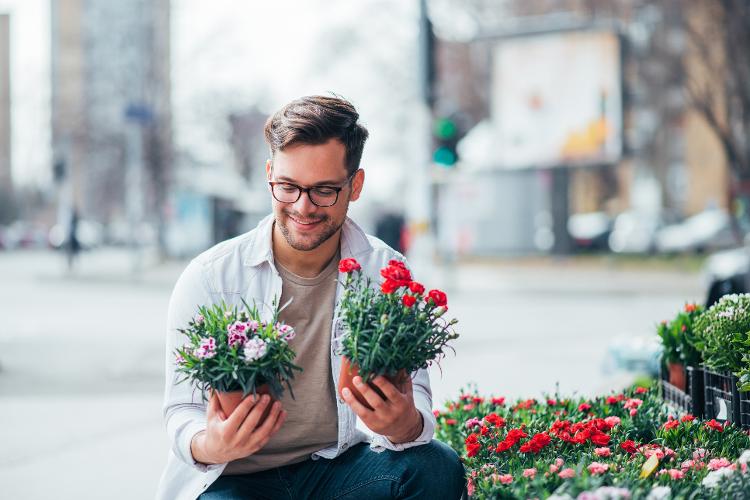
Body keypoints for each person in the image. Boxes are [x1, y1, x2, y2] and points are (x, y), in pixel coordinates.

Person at [157, 95, 465, 500]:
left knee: (436, 467)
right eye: (287, 187)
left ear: (354, 185)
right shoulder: (211, 277)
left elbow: (417, 398)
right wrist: (209, 444)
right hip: (236, 480)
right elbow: (181, 410)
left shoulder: (385, 271)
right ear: (270, 174)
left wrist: (405, 424)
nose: (302, 207)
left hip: (338, 471)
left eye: (323, 191)